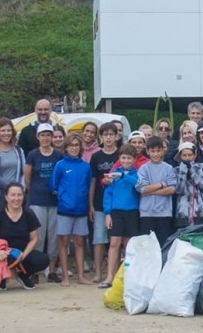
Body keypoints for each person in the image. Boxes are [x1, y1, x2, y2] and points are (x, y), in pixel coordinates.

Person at [0, 183, 50, 291]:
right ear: (6, 197)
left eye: (19, 195)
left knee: (43, 259)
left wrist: (23, 255)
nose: (16, 198)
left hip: (22, 252)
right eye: (13, 195)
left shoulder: (28, 213)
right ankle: (1, 278)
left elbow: (34, 238)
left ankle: (23, 275)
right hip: (3, 253)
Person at [51, 133, 92, 287]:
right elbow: (53, 186)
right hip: (64, 210)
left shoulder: (85, 166)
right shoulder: (60, 165)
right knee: (63, 241)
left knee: (80, 242)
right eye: (71, 145)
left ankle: (81, 276)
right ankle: (65, 277)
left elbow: (87, 186)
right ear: (66, 147)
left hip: (81, 209)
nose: (74, 148)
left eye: (77, 145)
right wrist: (64, 197)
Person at [24, 123, 62, 283]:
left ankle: (52, 270)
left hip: (54, 201)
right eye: (43, 135)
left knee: (54, 237)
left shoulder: (58, 155)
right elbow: (27, 178)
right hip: (38, 200)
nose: (46, 138)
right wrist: (32, 194)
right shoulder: (33, 155)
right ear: (38, 137)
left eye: (48, 135)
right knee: (38, 237)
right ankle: (35, 271)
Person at [99, 144, 140, 289]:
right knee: (114, 244)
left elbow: (138, 185)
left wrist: (124, 176)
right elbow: (108, 194)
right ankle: (110, 276)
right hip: (116, 212)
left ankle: (128, 275)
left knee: (129, 246)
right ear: (119, 158)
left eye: (129, 158)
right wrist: (107, 213)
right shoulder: (114, 173)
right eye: (123, 158)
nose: (126, 160)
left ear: (134, 159)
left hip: (132, 212)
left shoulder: (137, 173)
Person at [88, 122, 118, 284]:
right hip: (99, 203)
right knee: (99, 239)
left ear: (116, 136)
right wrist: (91, 204)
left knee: (116, 240)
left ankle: (113, 272)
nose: (108, 138)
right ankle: (98, 272)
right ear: (101, 137)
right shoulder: (96, 157)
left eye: (111, 134)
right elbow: (93, 181)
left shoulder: (121, 155)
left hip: (118, 204)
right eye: (105, 135)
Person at [135, 136, 176, 245]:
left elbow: (172, 189)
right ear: (147, 151)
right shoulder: (143, 168)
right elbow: (142, 188)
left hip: (164, 213)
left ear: (163, 150)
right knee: (147, 246)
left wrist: (151, 191)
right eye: (152, 151)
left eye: (158, 151)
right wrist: (162, 184)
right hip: (146, 213)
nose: (156, 154)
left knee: (163, 245)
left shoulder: (168, 168)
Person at [0, 118, 26, 216]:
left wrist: (20, 190)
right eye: (3, 130)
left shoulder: (18, 150)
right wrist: (10, 189)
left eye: (8, 130)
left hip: (17, 197)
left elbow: (23, 172)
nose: (6, 133)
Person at [173, 142, 203, 228]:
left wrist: (192, 170)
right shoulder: (176, 170)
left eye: (190, 155)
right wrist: (183, 172)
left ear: (195, 155)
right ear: (180, 156)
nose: (187, 158)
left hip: (201, 211)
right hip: (183, 213)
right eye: (184, 155)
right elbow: (178, 190)